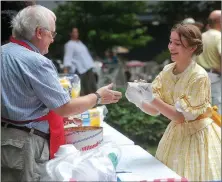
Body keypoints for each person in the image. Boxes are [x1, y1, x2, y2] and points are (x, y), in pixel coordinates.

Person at [1, 5, 122, 182]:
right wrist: (98, 96)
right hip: (24, 144)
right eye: (52, 34)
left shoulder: (3, 51)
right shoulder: (36, 61)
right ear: (39, 32)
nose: (52, 40)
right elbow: (64, 107)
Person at [126, 23, 221, 181]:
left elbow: (180, 117)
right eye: (171, 42)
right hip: (175, 133)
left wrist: (151, 98)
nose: (171, 47)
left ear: (192, 48)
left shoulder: (199, 76)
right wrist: (139, 101)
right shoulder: (167, 71)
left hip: (198, 135)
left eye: (178, 43)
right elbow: (156, 110)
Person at [196, 10, 221, 114]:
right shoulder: (219, 36)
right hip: (216, 78)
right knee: (217, 110)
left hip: (200, 77)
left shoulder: (201, 37)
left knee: (203, 112)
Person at [63, 27, 97, 95]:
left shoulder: (80, 43)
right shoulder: (69, 44)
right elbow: (67, 58)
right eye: (74, 32)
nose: (76, 33)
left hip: (88, 68)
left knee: (93, 90)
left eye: (77, 32)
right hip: (80, 71)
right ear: (70, 33)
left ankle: (94, 104)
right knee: (83, 92)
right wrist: (65, 72)